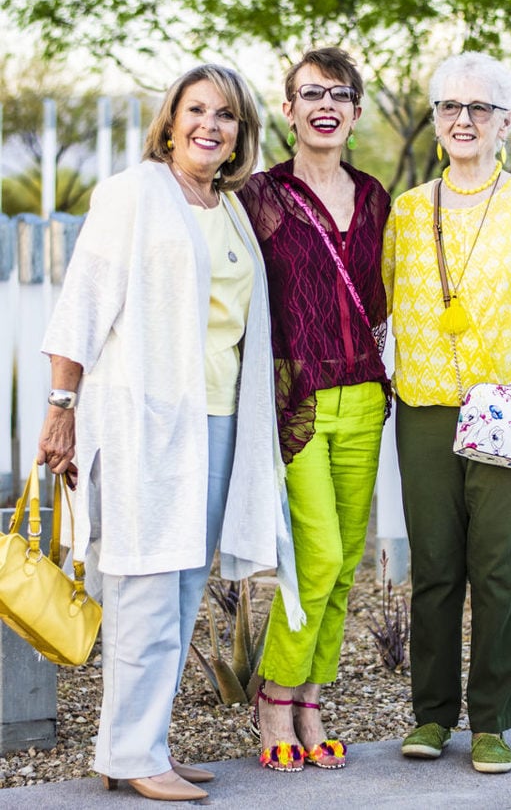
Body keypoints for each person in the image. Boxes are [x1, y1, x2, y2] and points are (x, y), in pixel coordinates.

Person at [37, 64, 303, 802]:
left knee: (182, 588)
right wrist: (61, 406)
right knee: (143, 584)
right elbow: (83, 303)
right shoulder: (133, 194)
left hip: (217, 424)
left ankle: (143, 745)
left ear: (240, 134)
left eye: (226, 116)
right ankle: (127, 750)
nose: (209, 126)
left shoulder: (231, 209)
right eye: (197, 110)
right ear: (171, 118)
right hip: (144, 423)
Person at [382, 51, 511, 774]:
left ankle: (493, 721)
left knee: (499, 572)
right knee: (436, 569)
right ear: (435, 119)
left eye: (479, 108)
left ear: (507, 121)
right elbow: (380, 311)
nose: (462, 120)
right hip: (429, 410)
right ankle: (432, 716)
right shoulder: (407, 212)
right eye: (448, 107)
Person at [239, 46, 391, 772]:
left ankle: (311, 699)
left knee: (346, 560)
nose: (325, 104)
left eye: (340, 94)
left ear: (356, 114)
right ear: (290, 109)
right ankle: (274, 692)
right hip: (294, 397)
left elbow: (389, 298)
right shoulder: (259, 196)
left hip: (365, 391)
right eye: (311, 93)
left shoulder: (376, 197)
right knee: (318, 555)